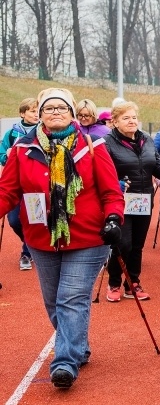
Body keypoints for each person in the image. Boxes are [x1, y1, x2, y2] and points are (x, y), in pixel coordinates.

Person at [0, 87, 124, 388]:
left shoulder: (92, 145)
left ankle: (65, 362)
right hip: (41, 237)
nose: (55, 112)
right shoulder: (22, 148)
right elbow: (7, 191)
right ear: (39, 114)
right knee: (54, 301)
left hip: (88, 237)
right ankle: (78, 345)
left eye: (61, 108)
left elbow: (111, 191)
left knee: (71, 297)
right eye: (49, 108)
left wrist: (113, 218)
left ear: (72, 113)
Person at [104, 101, 160, 302]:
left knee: (137, 245)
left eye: (134, 117)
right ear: (115, 122)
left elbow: (157, 167)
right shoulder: (107, 143)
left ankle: (133, 283)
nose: (131, 121)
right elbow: (102, 172)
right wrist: (116, 183)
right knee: (123, 244)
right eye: (126, 118)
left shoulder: (147, 139)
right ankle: (114, 283)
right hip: (120, 200)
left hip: (144, 200)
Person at [0, 97, 39, 270]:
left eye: (38, 111)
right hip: (16, 184)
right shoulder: (11, 134)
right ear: (22, 113)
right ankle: (30, 244)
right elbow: (1, 156)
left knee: (35, 219)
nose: (36, 114)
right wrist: (6, 156)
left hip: (35, 183)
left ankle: (27, 253)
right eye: (32, 111)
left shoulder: (43, 132)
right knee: (15, 220)